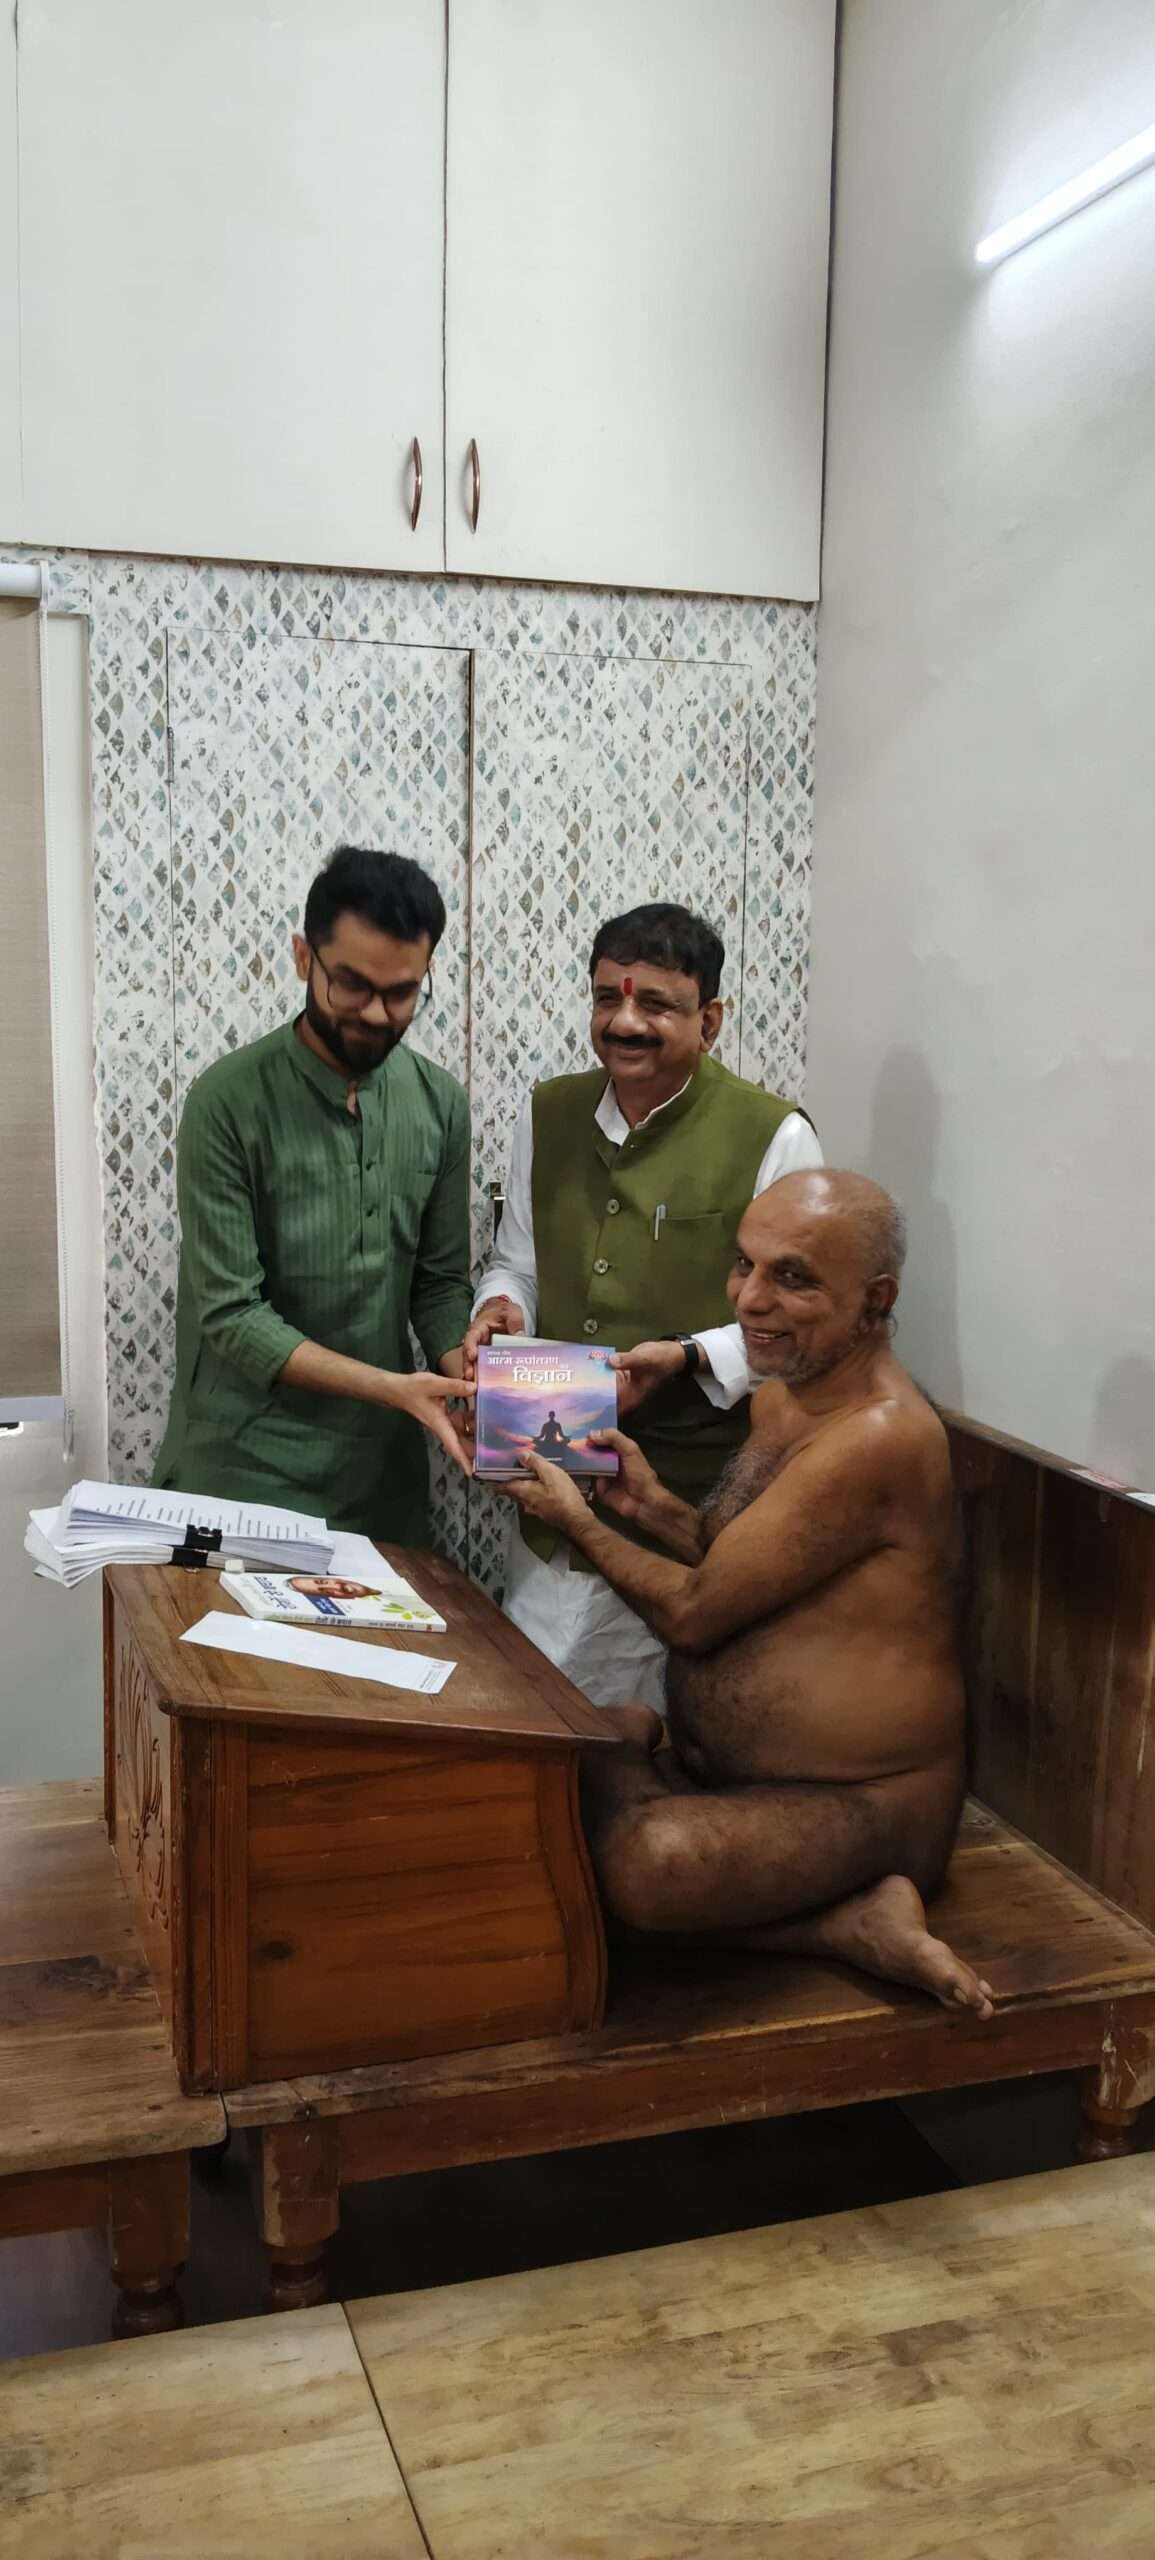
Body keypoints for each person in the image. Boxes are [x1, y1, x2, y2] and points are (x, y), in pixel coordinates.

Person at [506, 1169, 994, 2017]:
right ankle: (816, 1905)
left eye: (792, 1277)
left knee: (644, 1868)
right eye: (744, 1265)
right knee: (556, 1761)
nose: (749, 1299)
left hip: (862, 1805)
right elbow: (741, 1566)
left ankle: (842, 1924)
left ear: (875, 1300)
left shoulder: (878, 1436)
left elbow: (695, 1615)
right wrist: (647, 1505)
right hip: (726, 1779)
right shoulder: (785, 1405)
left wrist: (579, 1523)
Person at [464, 902, 822, 1708]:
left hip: (679, 1506)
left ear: (710, 1021)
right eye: (606, 999)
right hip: (549, 1491)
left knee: (646, 1732)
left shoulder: (775, 1136)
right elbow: (516, 1263)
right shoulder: (547, 1112)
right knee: (540, 1720)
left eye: (656, 1004)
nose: (624, 1023)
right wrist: (501, 1308)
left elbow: (800, 1323)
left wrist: (687, 1358)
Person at [154, 845, 473, 1542]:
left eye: (402, 992)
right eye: (352, 985)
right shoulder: (227, 1102)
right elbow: (233, 1315)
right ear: (305, 958)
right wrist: (396, 1388)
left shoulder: (440, 1104)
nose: (377, 1014)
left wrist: (472, 1379)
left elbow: (439, 1285)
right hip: (241, 1478)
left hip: (380, 1486)